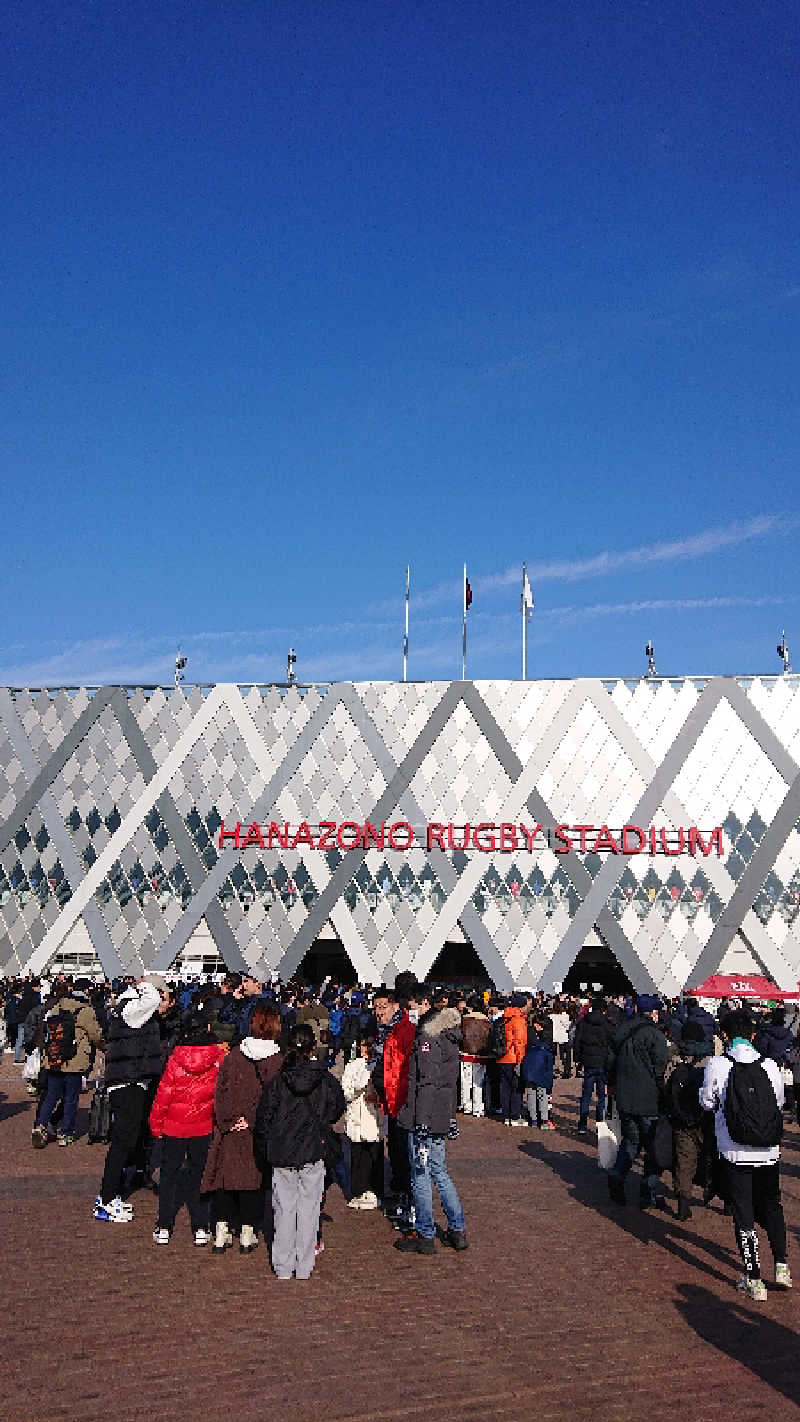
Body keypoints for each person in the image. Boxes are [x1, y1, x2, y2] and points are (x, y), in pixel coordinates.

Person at [699, 1008, 792, 1299]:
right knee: (772, 1205)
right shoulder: (770, 1065)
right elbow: (778, 1102)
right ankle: (781, 1266)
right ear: (753, 1035)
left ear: (724, 1035)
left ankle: (754, 1278)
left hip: (735, 1151)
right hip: (768, 1149)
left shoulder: (718, 1064)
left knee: (744, 1213)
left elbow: (706, 1102)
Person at [254, 1022, 345, 1280]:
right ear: (312, 1047)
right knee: (308, 1210)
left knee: (284, 1210)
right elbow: (337, 1106)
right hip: (312, 1150)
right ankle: (303, 1266)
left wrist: (265, 1148)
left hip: (284, 1152)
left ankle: (283, 1265)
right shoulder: (323, 1078)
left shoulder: (278, 1081)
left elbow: (264, 1120)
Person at [201, 1003, 283, 1253]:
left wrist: (228, 1121)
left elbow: (221, 1092)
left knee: (225, 1181)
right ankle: (248, 1233)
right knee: (253, 1182)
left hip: (230, 1130)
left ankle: (221, 1231)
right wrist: (253, 1121)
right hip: (254, 1131)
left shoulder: (234, 1055)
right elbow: (274, 1099)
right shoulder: (277, 1060)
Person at [395, 986, 467, 1255]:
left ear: (424, 1004)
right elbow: (449, 1083)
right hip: (440, 1114)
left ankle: (425, 1233)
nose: (409, 1011)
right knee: (439, 1169)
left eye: (412, 1005)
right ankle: (457, 1229)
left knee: (421, 1174)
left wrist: (421, 1121)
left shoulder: (428, 1036)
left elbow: (427, 1083)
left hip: (424, 1115)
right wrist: (449, 1117)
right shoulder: (449, 1035)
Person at [149, 1005, 227, 1245]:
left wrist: (156, 1124)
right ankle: (200, 1226)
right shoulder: (217, 1058)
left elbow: (165, 1093)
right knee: (199, 1175)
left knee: (169, 1176)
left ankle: (164, 1225)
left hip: (174, 1124)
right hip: (202, 1125)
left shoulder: (176, 1058)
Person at [94, 975, 166, 1223]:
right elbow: (153, 998)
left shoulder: (128, 1010)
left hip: (131, 1079)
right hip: (127, 1081)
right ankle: (105, 1198)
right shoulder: (132, 1008)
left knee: (127, 1139)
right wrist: (145, 983)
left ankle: (110, 1195)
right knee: (123, 1141)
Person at [606, 994, 669, 1208]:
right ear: (652, 1012)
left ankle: (617, 1175)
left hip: (625, 1098)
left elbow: (610, 1064)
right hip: (649, 1100)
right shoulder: (655, 1036)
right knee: (653, 1148)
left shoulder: (621, 1032)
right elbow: (660, 1070)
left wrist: (612, 1085)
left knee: (630, 1141)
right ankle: (647, 1193)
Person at [31, 978, 104, 1147]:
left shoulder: (57, 1006)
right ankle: (66, 1133)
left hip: (55, 1059)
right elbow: (95, 1035)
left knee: (51, 1095)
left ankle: (41, 1125)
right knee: (71, 1098)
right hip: (75, 1061)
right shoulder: (86, 1011)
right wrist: (104, 1046)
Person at [372, 986, 416, 1228]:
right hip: (390, 1100)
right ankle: (401, 1194)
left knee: (403, 1152)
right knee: (396, 1149)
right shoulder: (384, 1031)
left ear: (396, 1006)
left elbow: (405, 1069)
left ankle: (407, 1202)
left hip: (401, 1100)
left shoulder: (404, 1031)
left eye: (383, 1007)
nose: (379, 1012)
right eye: (376, 1008)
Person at [663, 1020, 712, 1220]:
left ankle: (683, 1200)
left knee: (685, 1160)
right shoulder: (711, 1060)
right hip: (706, 1118)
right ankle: (723, 1196)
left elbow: (666, 1087)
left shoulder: (676, 1060)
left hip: (683, 1120)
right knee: (713, 1158)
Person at [342, 1033, 384, 1209]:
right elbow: (346, 1090)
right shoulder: (352, 1066)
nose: (366, 1049)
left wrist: (378, 1098)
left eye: (369, 1045)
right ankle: (359, 1191)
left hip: (373, 1118)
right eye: (363, 1045)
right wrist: (357, 1091)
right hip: (357, 1117)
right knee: (357, 1155)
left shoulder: (379, 1065)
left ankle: (375, 1191)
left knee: (374, 1154)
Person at [573, 995, 614, 1134]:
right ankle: (600, 1123)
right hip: (602, 1063)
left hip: (588, 1062)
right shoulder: (608, 1024)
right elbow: (611, 1044)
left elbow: (577, 1042)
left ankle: (582, 1125)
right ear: (604, 1010)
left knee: (586, 1095)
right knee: (602, 1095)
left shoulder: (584, 1022)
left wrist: (577, 1060)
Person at [498, 992, 528, 1126]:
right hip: (514, 1057)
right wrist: (521, 1060)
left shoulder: (505, 1016)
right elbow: (520, 1041)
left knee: (505, 1087)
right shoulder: (518, 1019)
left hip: (503, 1056)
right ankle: (515, 1116)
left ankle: (506, 1115)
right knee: (517, 1088)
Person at [521, 1016, 555, 1128]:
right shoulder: (547, 1052)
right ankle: (544, 1120)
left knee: (531, 1095)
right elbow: (549, 1069)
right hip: (542, 1077)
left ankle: (533, 1119)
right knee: (543, 1096)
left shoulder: (530, 1049)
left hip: (530, 1075)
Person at [459, 994, 491, 1117]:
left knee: (466, 1081)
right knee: (478, 1083)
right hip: (481, 1055)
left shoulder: (464, 1020)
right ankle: (478, 1108)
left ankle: (466, 1105)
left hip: (466, 1053)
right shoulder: (486, 1021)